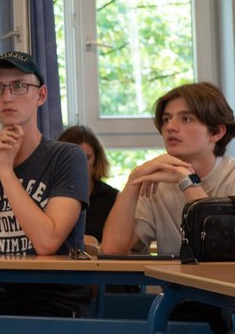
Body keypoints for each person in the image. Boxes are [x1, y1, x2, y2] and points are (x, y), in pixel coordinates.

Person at [0, 51, 91, 318]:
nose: (7, 97)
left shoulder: (67, 157)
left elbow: (47, 243)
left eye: (19, 86)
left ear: (41, 95)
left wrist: (6, 172)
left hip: (57, 303)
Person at [101, 82, 235, 334]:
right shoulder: (157, 184)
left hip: (228, 304)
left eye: (185, 118)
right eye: (166, 119)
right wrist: (133, 182)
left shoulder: (232, 176)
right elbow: (112, 248)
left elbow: (217, 247)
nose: (170, 127)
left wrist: (187, 181)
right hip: (178, 301)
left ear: (216, 131)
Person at [58, 125, 117, 243]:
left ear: (97, 160)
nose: (82, 164)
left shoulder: (113, 198)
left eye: (87, 158)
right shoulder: (49, 195)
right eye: (75, 158)